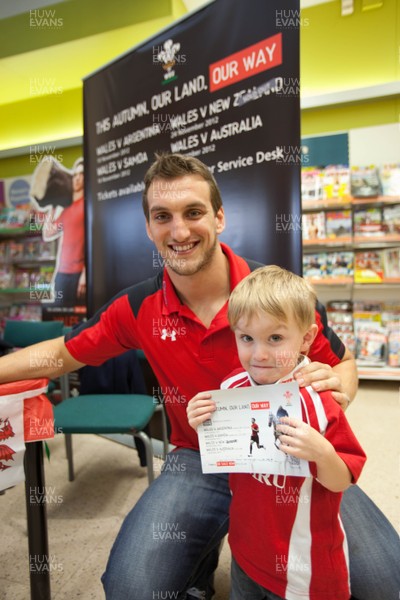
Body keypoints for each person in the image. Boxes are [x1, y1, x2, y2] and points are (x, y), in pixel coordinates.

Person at [0, 153, 398, 600]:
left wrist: (337, 391)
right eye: (162, 217)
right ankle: (198, 566)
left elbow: (344, 364)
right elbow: (60, 354)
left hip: (292, 457)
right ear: (149, 228)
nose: (180, 231)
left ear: (220, 216)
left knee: (388, 583)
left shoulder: (280, 295)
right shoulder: (136, 308)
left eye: (194, 213)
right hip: (199, 458)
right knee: (131, 589)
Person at [188, 265, 367, 599]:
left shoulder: (320, 403)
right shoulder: (231, 388)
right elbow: (226, 451)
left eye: (275, 338)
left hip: (304, 566)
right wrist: (201, 421)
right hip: (245, 550)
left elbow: (343, 478)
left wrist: (322, 453)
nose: (259, 354)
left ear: (307, 338)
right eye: (246, 338)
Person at [41, 158, 86, 306]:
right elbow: (48, 233)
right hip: (62, 272)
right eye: (75, 175)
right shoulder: (66, 209)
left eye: (82, 174)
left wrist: (85, 274)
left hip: (78, 273)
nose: (78, 178)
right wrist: (51, 206)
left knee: (77, 320)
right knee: (60, 315)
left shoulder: (87, 206)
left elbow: (94, 243)